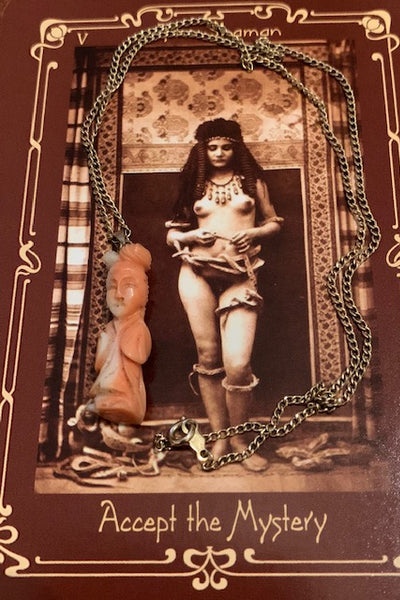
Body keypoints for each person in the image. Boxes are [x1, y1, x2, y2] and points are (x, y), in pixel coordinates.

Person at [166, 118, 283, 471]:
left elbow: (274, 222)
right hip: (196, 274)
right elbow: (172, 234)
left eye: (226, 147)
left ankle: (240, 440)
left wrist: (256, 234)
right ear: (203, 150)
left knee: (238, 363)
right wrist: (189, 238)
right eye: (212, 147)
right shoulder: (193, 185)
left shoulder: (252, 183)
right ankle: (219, 438)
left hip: (240, 276)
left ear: (237, 148)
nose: (219, 153)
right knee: (208, 355)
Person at [88, 243, 152, 425]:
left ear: (144, 295)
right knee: (105, 394)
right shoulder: (109, 328)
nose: (119, 295)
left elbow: (139, 356)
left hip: (126, 387)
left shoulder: (138, 327)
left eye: (128, 285)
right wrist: (105, 342)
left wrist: (124, 340)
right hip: (107, 383)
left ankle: (122, 404)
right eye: (112, 287)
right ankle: (106, 402)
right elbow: (99, 364)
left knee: (124, 397)